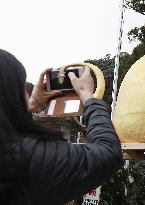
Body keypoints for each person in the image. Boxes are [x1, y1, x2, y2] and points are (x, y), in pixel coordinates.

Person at [0, 49, 122, 205]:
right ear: (11, 93)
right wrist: (87, 96)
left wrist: (31, 105)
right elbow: (108, 153)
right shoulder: (30, 158)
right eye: (23, 88)